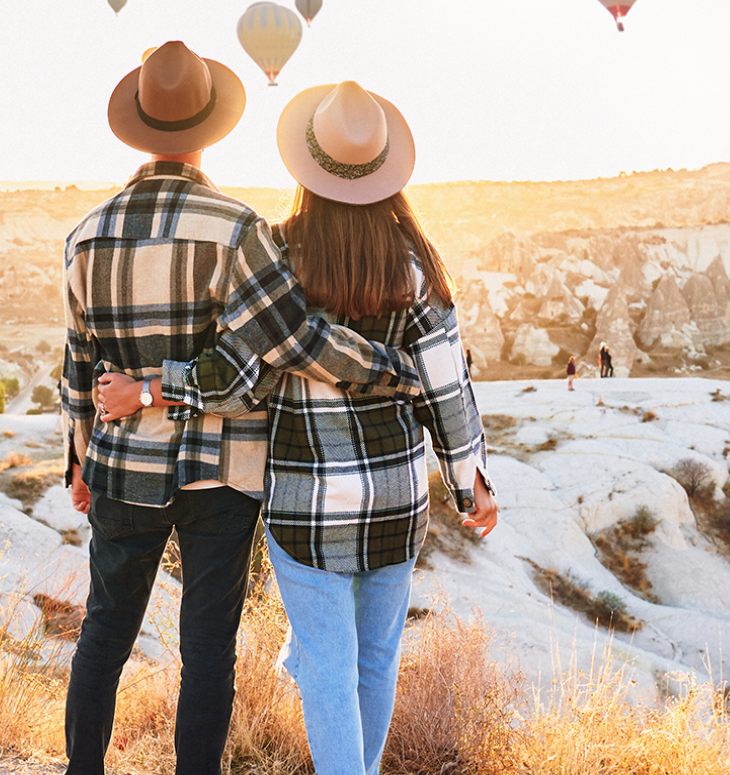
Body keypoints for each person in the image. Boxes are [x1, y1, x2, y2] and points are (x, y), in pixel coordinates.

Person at [98, 79, 497, 775]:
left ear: (305, 170)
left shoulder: (272, 257)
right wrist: (471, 484)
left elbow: (235, 379)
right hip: (394, 499)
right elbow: (447, 388)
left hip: (306, 501)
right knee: (374, 663)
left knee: (327, 669)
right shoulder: (413, 267)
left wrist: (155, 387)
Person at [58, 45, 418, 775]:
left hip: (122, 462)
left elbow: (77, 364)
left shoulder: (85, 236)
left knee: (103, 634)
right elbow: (258, 359)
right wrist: (391, 370)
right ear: (209, 128)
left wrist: (77, 456)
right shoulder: (238, 229)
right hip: (222, 468)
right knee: (207, 648)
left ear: (136, 130)